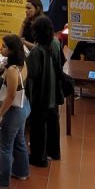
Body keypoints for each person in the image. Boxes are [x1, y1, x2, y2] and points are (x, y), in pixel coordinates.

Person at [0, 34, 30, 189]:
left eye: (4, 46)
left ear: (12, 50)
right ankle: (21, 171)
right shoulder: (20, 63)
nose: (1, 48)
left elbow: (11, 96)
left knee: (5, 147)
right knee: (19, 140)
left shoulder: (12, 70)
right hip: (22, 108)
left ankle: (2, 181)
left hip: (12, 112)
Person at [26, 15, 62, 167]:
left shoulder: (37, 51)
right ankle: (54, 152)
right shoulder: (55, 43)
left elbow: (32, 73)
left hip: (41, 93)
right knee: (53, 123)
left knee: (38, 126)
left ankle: (38, 158)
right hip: (54, 90)